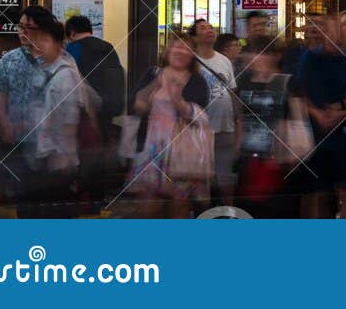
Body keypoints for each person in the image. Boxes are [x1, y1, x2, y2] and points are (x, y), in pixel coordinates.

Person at [128, 33, 211, 218]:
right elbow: (137, 105)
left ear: (192, 55)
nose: (180, 51)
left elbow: (201, 118)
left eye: (185, 48)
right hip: (152, 149)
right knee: (149, 208)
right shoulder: (153, 74)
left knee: (179, 207)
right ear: (167, 50)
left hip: (182, 153)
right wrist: (156, 85)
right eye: (176, 46)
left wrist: (178, 100)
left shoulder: (197, 80)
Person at [0, 5, 57, 205]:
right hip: (18, 140)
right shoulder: (9, 59)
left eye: (28, 28)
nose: (22, 32)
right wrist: (4, 125)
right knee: (23, 197)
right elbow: (0, 96)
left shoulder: (57, 60)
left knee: (51, 199)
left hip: (50, 141)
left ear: (43, 30)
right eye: (20, 27)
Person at [24, 16, 88, 217]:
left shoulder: (65, 75)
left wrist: (60, 157)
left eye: (45, 40)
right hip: (42, 156)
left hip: (58, 161)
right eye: (38, 40)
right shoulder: (42, 70)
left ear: (59, 44)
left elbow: (69, 122)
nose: (40, 45)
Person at [234, 37, 301, 218]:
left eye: (263, 54)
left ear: (275, 57)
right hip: (250, 156)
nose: (257, 58)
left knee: (278, 210)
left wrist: (293, 151)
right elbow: (240, 116)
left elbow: (298, 118)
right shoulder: (244, 81)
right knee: (249, 210)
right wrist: (238, 148)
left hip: (279, 159)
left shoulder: (287, 82)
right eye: (254, 53)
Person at [296, 14, 346, 218]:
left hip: (344, 131)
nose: (331, 34)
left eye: (335, 30)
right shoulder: (310, 57)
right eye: (328, 29)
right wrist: (317, 114)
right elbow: (300, 92)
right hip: (315, 132)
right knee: (317, 190)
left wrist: (341, 113)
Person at [64, 12, 123, 204]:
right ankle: (98, 196)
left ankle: (84, 195)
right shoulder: (108, 47)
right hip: (108, 110)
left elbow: (71, 80)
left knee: (84, 154)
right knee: (101, 152)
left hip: (85, 114)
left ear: (71, 32)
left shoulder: (73, 49)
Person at [188, 18, 238, 205]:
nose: (209, 29)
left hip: (225, 128)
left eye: (210, 26)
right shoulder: (191, 61)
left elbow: (232, 92)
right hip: (199, 131)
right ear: (194, 37)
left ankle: (227, 213)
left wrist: (238, 122)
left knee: (226, 179)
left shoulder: (224, 60)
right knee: (201, 179)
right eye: (202, 28)